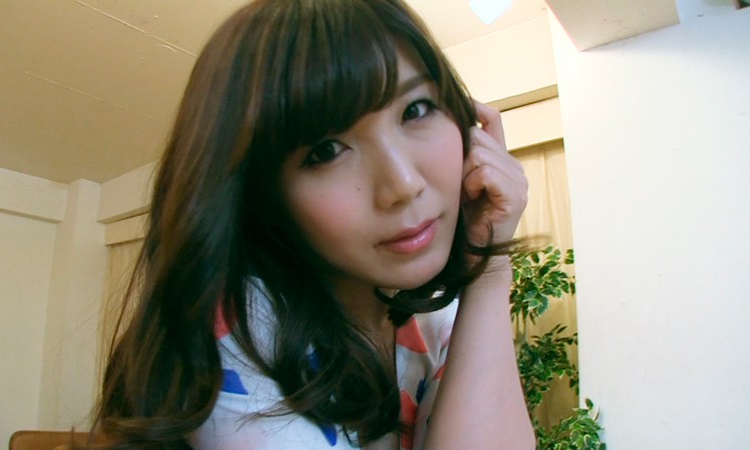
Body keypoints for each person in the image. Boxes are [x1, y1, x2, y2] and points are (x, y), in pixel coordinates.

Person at [94, 0, 534, 448]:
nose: (403, 184)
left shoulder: (428, 316)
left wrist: (489, 268)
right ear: (261, 197)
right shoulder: (241, 332)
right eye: (326, 152)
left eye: (415, 110)